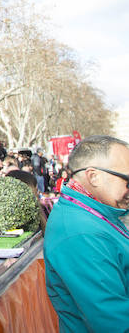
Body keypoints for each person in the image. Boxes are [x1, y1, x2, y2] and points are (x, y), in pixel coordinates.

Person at [45, 135, 129, 332]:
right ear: (93, 176)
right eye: (127, 181)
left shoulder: (91, 214)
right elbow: (113, 323)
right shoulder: (81, 233)